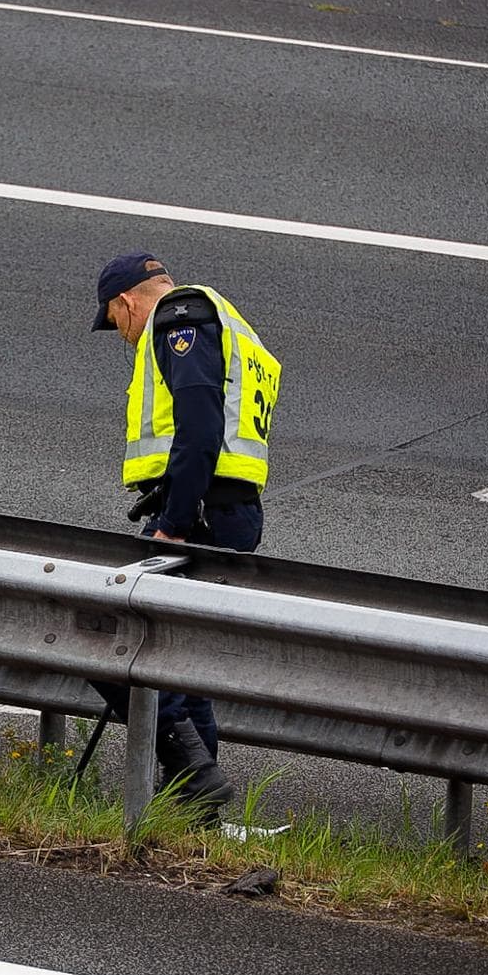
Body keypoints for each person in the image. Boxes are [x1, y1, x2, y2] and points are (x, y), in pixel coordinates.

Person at [88, 252, 282, 810]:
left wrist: (173, 523)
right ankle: (201, 804)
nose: (123, 336)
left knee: (104, 630)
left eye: (114, 323)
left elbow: (200, 424)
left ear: (125, 304)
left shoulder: (180, 317)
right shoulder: (228, 322)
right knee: (179, 659)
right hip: (225, 509)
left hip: (198, 513)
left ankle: (189, 768)